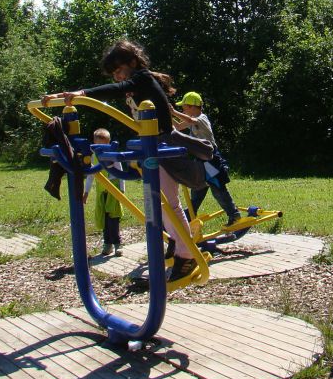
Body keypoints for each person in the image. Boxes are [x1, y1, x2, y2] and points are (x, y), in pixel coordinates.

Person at [42, 39, 213, 284]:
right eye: (113, 73)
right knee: (163, 203)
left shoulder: (141, 78)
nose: (117, 77)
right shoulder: (137, 82)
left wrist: (82, 93)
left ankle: (185, 256)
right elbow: (118, 90)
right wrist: (64, 96)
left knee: (168, 204)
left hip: (161, 145)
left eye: (119, 71)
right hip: (151, 144)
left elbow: (117, 90)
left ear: (133, 63)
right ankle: (181, 247)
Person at [171, 91, 241, 227]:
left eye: (184, 107)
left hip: (211, 159)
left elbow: (191, 121)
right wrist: (168, 115)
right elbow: (178, 127)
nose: (182, 109)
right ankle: (189, 216)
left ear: (192, 106)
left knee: (218, 188)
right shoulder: (190, 119)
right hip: (200, 160)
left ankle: (234, 215)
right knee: (197, 188)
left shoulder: (202, 118)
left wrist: (173, 112)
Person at [83, 127, 125, 257]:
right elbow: (90, 175)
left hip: (113, 189)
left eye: (104, 145)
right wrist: (86, 192)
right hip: (101, 191)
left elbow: (121, 173)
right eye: (98, 145)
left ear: (109, 143)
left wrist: (122, 190)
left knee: (113, 218)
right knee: (104, 219)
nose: (101, 148)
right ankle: (107, 244)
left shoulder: (112, 155)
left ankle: (118, 244)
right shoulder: (93, 156)